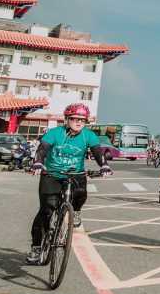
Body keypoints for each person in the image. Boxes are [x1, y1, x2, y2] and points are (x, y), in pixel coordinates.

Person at [26, 103, 113, 264]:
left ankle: (77, 211)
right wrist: (38, 162)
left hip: (75, 174)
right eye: (74, 119)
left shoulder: (88, 135)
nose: (79, 122)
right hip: (51, 174)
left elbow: (97, 152)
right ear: (67, 119)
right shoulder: (55, 133)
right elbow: (43, 149)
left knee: (81, 194)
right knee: (46, 210)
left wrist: (104, 165)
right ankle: (36, 247)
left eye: (82, 120)